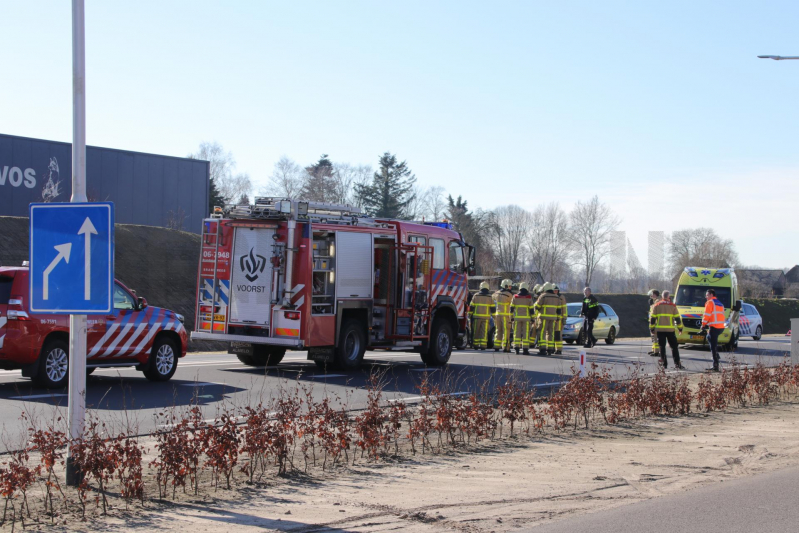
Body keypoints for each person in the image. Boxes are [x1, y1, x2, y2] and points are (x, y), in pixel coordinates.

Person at [650, 290, 684, 369]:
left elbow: (652, 318)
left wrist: (652, 328)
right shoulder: (673, 306)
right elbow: (677, 318)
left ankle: (664, 364)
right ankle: (677, 364)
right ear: (668, 297)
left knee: (662, 347)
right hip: (670, 330)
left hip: (660, 330)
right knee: (674, 347)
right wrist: (680, 328)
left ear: (662, 297)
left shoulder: (657, 305)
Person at [701, 288, 725, 372]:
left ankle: (715, 365)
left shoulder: (710, 302)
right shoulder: (720, 303)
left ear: (711, 295)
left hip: (714, 327)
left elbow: (706, 314)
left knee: (713, 346)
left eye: (707, 295)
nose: (706, 297)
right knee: (709, 337)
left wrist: (703, 324)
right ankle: (716, 357)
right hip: (721, 327)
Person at [535, 283, 562, 355]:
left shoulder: (543, 296)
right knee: (550, 333)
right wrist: (558, 318)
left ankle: (542, 349)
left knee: (542, 332)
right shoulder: (557, 297)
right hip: (553, 318)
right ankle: (550, 349)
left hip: (543, 318)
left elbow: (537, 306)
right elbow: (559, 310)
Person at [469, 282, 494, 350]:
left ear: (480, 287)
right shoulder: (490, 297)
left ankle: (475, 345)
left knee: (476, 331)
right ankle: (483, 345)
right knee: (484, 332)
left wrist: (469, 315)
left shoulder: (476, 296)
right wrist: (494, 317)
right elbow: (493, 308)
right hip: (486, 318)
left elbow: (471, 307)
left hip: (477, 317)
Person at [512, 282, 534, 355]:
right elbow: (531, 309)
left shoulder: (515, 296)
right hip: (526, 318)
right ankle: (525, 350)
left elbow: (511, 308)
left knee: (516, 333)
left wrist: (511, 318)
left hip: (517, 318)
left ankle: (516, 349)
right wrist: (533, 319)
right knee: (526, 334)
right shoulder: (529, 297)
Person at [492, 279, 514, 352]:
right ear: (506, 286)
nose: (511, 288)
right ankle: (506, 347)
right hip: (506, 315)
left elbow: (492, 297)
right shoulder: (509, 295)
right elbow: (514, 303)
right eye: (510, 286)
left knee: (498, 330)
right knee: (506, 331)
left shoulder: (496, 293)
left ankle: (496, 345)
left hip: (497, 315)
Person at [553, 285, 568, 354]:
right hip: (552, 318)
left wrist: (564, 318)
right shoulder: (551, 297)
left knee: (558, 334)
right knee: (551, 334)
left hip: (559, 320)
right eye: (554, 290)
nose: (555, 291)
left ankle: (559, 349)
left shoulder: (561, 297)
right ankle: (551, 348)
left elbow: (564, 308)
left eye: (556, 290)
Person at [647, 289, 661, 357]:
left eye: (652, 294)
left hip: (655, 323)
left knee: (655, 337)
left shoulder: (657, 302)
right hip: (653, 322)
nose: (651, 296)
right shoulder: (655, 301)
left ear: (655, 294)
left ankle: (656, 352)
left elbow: (655, 313)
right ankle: (654, 350)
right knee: (653, 338)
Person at [529, 284, 542, 349]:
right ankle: (532, 343)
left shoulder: (541, 297)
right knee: (534, 331)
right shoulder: (538, 297)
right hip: (536, 317)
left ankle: (537, 344)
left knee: (538, 331)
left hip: (538, 317)